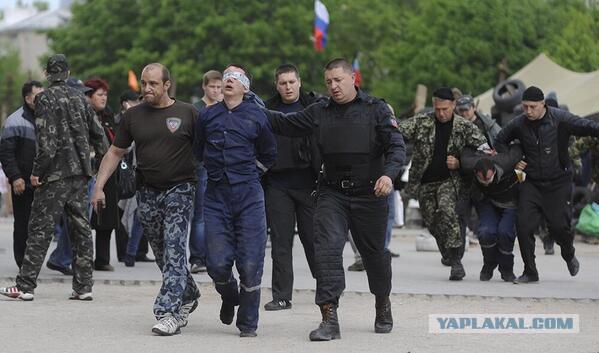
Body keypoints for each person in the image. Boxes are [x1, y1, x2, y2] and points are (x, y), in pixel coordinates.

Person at [265, 58, 405, 341]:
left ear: (353, 78)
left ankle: (382, 303)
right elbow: (286, 124)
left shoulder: (375, 110)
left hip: (370, 193)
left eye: (338, 80)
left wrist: (388, 176)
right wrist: (250, 104)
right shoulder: (319, 111)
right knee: (326, 251)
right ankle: (329, 318)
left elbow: (396, 147)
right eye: (328, 82)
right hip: (332, 193)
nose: (333, 86)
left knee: (375, 256)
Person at [91, 63, 200, 335]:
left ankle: (168, 312)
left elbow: (207, 151)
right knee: (163, 253)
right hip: (148, 191)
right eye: (143, 83)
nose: (147, 88)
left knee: (175, 247)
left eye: (153, 83)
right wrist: (99, 186)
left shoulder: (188, 113)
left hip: (181, 189)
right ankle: (189, 292)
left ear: (166, 85)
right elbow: (115, 153)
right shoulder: (133, 116)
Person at [0, 54, 107, 301]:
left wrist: (37, 171)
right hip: (80, 174)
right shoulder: (81, 99)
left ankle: (25, 286)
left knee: (40, 229)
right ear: (68, 74)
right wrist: (99, 167)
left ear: (48, 74)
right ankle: (83, 287)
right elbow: (99, 136)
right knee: (81, 229)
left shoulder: (44, 99)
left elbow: (47, 143)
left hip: (54, 176)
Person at [197, 64, 276, 337]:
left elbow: (269, 154)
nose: (230, 80)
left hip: (249, 196)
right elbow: (198, 150)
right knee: (217, 264)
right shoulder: (207, 117)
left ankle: (248, 323)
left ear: (245, 87)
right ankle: (229, 295)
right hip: (216, 195)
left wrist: (250, 172)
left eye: (237, 77)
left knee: (251, 263)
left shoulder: (258, 116)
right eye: (226, 76)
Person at [495, 86, 599, 283]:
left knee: (558, 226)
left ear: (543, 104)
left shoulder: (560, 119)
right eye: (525, 107)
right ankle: (530, 272)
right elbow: (499, 141)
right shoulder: (518, 124)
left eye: (533, 107)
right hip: (530, 182)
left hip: (558, 182)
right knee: (523, 225)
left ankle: (568, 254)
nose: (528, 111)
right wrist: (514, 159)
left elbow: (587, 126)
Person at [398, 87, 486, 281]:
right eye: (437, 109)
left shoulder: (464, 127)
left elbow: (483, 151)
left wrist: (461, 162)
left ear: (453, 105)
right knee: (432, 222)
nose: (441, 113)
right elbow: (399, 131)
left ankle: (456, 261)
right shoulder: (423, 122)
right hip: (425, 183)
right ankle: (448, 253)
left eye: (445, 109)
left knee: (446, 211)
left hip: (450, 181)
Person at [262, 64, 318, 311]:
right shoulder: (265, 109)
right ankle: (282, 295)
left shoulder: (313, 106)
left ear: (299, 82)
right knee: (281, 244)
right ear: (277, 85)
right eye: (283, 83)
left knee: (314, 241)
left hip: (309, 184)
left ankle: (328, 288)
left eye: (291, 82)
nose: (287, 87)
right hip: (278, 184)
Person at [0, 80, 70, 274]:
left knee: (45, 225)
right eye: (39, 95)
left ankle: (38, 261)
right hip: (23, 183)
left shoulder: (51, 118)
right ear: (28, 98)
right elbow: (6, 154)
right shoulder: (15, 121)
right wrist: (15, 178)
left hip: (47, 184)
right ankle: (23, 264)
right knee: (23, 224)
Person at [460, 145, 523, 282]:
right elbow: (465, 153)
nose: (487, 182)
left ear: (494, 171)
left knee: (505, 232)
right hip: (487, 201)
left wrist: (521, 165)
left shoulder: (507, 161)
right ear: (475, 173)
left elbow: (517, 149)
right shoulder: (469, 165)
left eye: (489, 179)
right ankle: (489, 264)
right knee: (486, 232)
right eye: (483, 180)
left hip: (510, 202)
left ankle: (506, 269)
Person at [85, 78, 128, 271]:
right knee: (82, 219)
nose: (104, 98)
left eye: (105, 94)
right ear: (89, 95)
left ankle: (102, 259)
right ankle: (79, 259)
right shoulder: (83, 114)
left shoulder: (108, 115)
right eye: (99, 94)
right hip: (89, 171)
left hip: (109, 171)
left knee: (107, 217)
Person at [454, 94, 502, 260]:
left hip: (484, 181)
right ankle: (456, 258)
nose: (464, 113)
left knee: (487, 222)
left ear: (473, 108)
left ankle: (490, 256)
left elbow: (499, 145)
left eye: (466, 110)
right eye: (460, 110)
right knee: (459, 217)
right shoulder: (455, 126)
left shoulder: (486, 126)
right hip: (462, 181)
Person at [190, 70, 223, 274]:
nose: (216, 91)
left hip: (221, 164)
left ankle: (216, 256)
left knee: (218, 213)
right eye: (212, 87)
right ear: (204, 87)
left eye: (219, 87)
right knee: (200, 213)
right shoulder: (196, 109)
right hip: (202, 165)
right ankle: (197, 257)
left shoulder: (224, 108)